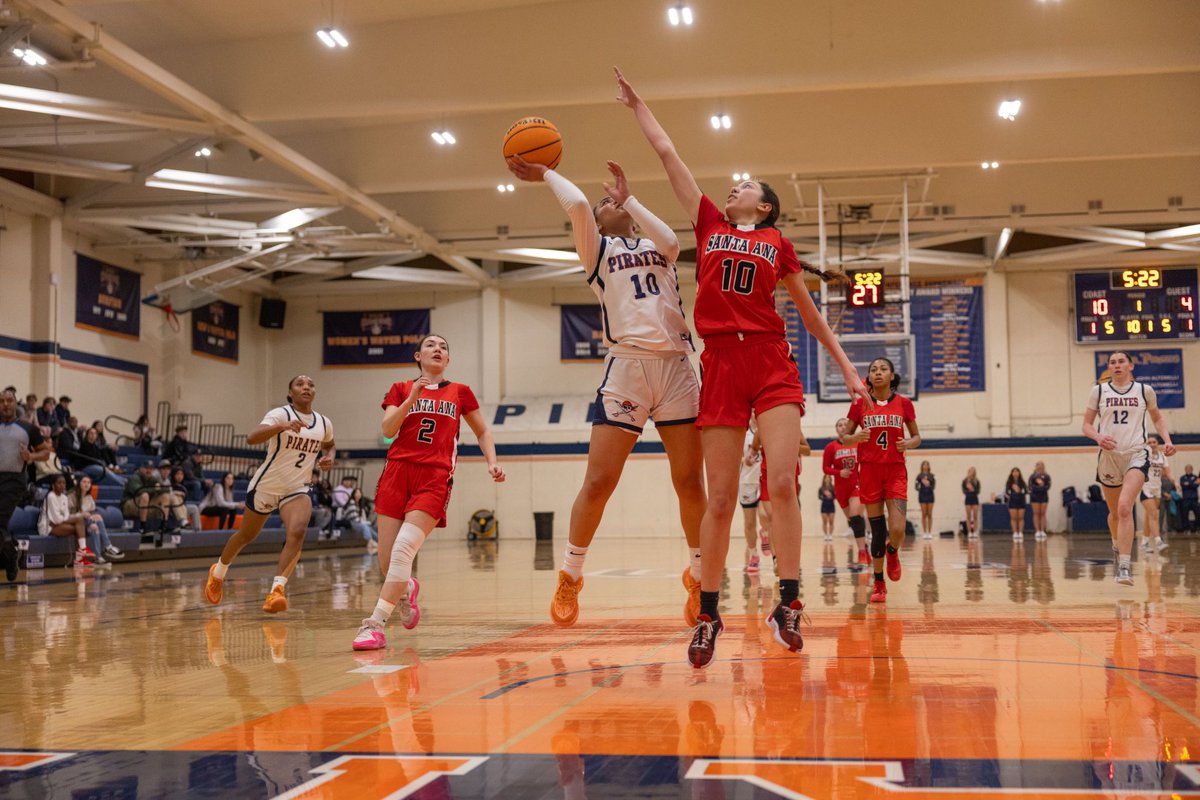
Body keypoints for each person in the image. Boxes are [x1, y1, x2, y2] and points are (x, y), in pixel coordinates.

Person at [614, 66, 869, 668]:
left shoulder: (777, 242)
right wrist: (638, 105)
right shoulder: (707, 223)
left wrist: (850, 371)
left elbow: (809, 318)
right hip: (721, 363)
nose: (735, 188)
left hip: (770, 361)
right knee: (721, 499)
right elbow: (669, 152)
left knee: (782, 482)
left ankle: (788, 602)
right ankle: (708, 614)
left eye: (747, 185)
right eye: (733, 184)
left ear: (767, 205)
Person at [506, 155, 707, 629]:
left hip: (677, 366)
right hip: (627, 369)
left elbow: (676, 241)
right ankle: (571, 576)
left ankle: (699, 576)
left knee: (689, 482)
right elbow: (576, 203)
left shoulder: (656, 245)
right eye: (604, 203)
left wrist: (630, 197)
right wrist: (545, 174)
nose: (605, 202)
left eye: (611, 200)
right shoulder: (597, 250)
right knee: (599, 481)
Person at [351, 334, 505, 651]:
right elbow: (387, 430)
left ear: (447, 360)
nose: (438, 349)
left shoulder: (460, 392)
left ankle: (375, 625)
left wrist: (492, 463)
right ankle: (406, 588)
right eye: (432, 345)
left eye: (444, 347)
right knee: (386, 561)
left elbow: (483, 431)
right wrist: (412, 399)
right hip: (396, 472)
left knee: (404, 548)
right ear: (418, 355)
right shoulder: (400, 388)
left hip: (434, 476)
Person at [204, 375, 335, 613]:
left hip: (297, 488)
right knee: (246, 536)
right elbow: (252, 438)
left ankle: (276, 591)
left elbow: (330, 444)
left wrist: (330, 458)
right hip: (267, 486)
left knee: (297, 530)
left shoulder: (324, 422)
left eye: (311, 384)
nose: (306, 387)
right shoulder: (281, 414)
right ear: (290, 393)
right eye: (300, 384)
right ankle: (218, 572)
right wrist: (281, 427)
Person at [1081, 350, 1176, 586]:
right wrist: (1098, 437)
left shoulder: (1145, 391)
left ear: (1131, 366)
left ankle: (1124, 566)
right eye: (1112, 362)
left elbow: (1158, 419)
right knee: (1114, 514)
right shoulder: (1099, 391)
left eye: (1121, 361)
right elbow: (1086, 425)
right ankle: (1117, 543)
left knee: (1125, 507)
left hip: (1136, 453)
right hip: (1109, 456)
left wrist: (1167, 440)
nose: (1116, 365)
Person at [841, 357, 921, 604]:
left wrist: (908, 442)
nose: (878, 373)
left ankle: (893, 552)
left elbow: (917, 437)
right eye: (873, 369)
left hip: (895, 470)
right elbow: (844, 437)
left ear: (892, 376)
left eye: (883, 369)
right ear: (868, 377)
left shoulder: (904, 404)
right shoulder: (859, 405)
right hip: (870, 472)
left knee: (896, 529)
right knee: (877, 530)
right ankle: (878, 582)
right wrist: (856, 437)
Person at [0, 388, 50, 581]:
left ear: (15, 404)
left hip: (14, 481)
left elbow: (45, 452)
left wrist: (31, 456)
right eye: (2, 401)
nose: (5, 404)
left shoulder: (28, 429)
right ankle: (11, 553)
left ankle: (11, 554)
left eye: (9, 400)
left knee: (0, 520)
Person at [823, 418, 869, 566]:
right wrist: (838, 472)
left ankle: (862, 552)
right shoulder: (831, 447)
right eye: (839, 425)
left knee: (856, 517)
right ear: (836, 429)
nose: (843, 427)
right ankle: (865, 547)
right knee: (853, 522)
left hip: (857, 484)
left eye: (845, 424)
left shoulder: (859, 443)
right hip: (841, 488)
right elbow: (825, 468)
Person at [38, 474, 94, 565]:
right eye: (59, 483)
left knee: (78, 526)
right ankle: (81, 554)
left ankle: (81, 557)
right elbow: (56, 519)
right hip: (48, 527)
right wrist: (62, 519)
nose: (62, 485)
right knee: (79, 521)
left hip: (57, 525)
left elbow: (66, 515)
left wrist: (62, 519)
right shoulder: (50, 496)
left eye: (64, 483)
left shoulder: (64, 497)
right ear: (53, 485)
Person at [70, 475, 123, 563]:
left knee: (95, 526)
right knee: (96, 520)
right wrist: (81, 514)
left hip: (87, 523)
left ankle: (98, 557)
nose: (86, 484)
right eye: (84, 482)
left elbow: (92, 512)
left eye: (88, 482)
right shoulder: (72, 496)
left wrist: (90, 516)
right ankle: (108, 546)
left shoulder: (89, 497)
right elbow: (67, 515)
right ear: (79, 483)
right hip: (76, 522)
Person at [121, 461, 177, 533]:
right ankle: (143, 527)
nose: (149, 470)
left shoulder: (152, 478)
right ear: (141, 469)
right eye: (146, 468)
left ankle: (164, 525)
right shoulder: (134, 478)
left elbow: (166, 489)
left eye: (151, 468)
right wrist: (155, 489)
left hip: (143, 505)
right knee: (145, 495)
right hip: (128, 505)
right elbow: (139, 491)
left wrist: (158, 489)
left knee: (165, 496)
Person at [739, 423, 765, 574]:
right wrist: (743, 460)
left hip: (764, 478)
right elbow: (731, 456)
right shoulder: (742, 432)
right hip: (747, 481)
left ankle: (765, 533)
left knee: (765, 515)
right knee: (749, 523)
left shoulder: (767, 428)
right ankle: (753, 555)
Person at [1139, 436, 1170, 554]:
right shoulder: (1143, 455)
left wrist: (1175, 482)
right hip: (1145, 488)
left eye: (1154, 442)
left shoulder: (1162, 456)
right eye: (1149, 442)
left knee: (1149, 516)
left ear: (1158, 443)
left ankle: (1144, 543)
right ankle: (1158, 541)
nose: (1152, 444)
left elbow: (1168, 471)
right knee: (1153, 514)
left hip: (1157, 489)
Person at [1028, 462, 1052, 540]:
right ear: (1036, 467)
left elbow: (1048, 486)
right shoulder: (1032, 476)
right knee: (1036, 513)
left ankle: (1042, 530)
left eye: (1042, 466)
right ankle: (1037, 530)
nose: (1040, 467)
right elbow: (1030, 486)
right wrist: (1039, 488)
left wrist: (1042, 487)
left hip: (1044, 496)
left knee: (1043, 513)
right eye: (1039, 466)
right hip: (1035, 496)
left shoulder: (1047, 476)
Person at [1005, 468, 1028, 542]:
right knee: (1013, 518)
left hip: (1021, 500)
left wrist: (1019, 491)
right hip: (1012, 500)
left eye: (1017, 471)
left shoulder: (1022, 482)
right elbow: (1007, 492)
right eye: (1014, 472)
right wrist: (1013, 492)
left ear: (1019, 473)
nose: (1015, 473)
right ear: (1011, 473)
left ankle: (1020, 532)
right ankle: (1015, 532)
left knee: (1020, 517)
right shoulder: (1009, 482)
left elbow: (1026, 491)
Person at [915, 461, 936, 540]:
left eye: (927, 464)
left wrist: (928, 483)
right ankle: (925, 532)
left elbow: (933, 486)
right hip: (922, 495)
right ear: (922, 466)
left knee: (929, 514)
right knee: (924, 514)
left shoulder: (932, 476)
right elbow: (916, 487)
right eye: (924, 464)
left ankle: (929, 532)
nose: (926, 466)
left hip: (930, 495)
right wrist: (921, 485)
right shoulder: (919, 476)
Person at [961, 467, 981, 538]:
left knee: (975, 516)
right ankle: (970, 532)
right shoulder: (964, 481)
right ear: (968, 472)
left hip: (975, 498)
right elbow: (963, 490)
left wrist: (973, 490)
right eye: (970, 471)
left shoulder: (977, 481)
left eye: (973, 471)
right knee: (968, 516)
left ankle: (974, 532)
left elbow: (978, 491)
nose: (971, 473)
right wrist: (968, 490)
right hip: (968, 498)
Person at [1180, 464, 1198, 533]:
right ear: (1185, 470)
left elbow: (1195, 485)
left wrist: (1188, 483)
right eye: (1187, 469)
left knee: (1197, 514)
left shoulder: (1195, 477)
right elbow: (1183, 486)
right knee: (1185, 514)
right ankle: (1186, 528)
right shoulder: (1182, 478)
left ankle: (1197, 528)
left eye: (1190, 469)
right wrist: (1192, 483)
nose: (1188, 470)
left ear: (1192, 469)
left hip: (1194, 499)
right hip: (1186, 499)